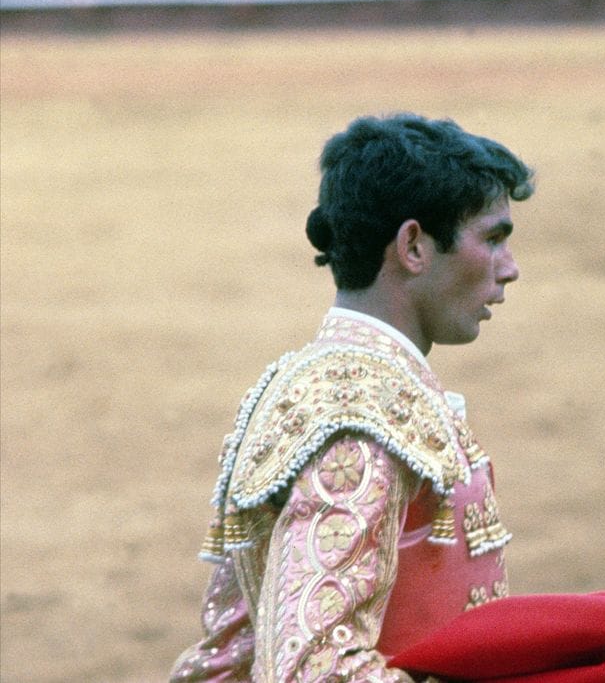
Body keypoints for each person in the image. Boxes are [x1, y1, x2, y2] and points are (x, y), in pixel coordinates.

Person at [170, 113, 533, 681]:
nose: (508, 270)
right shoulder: (360, 418)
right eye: (491, 238)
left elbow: (232, 656)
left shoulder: (304, 387)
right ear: (413, 245)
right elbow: (316, 670)